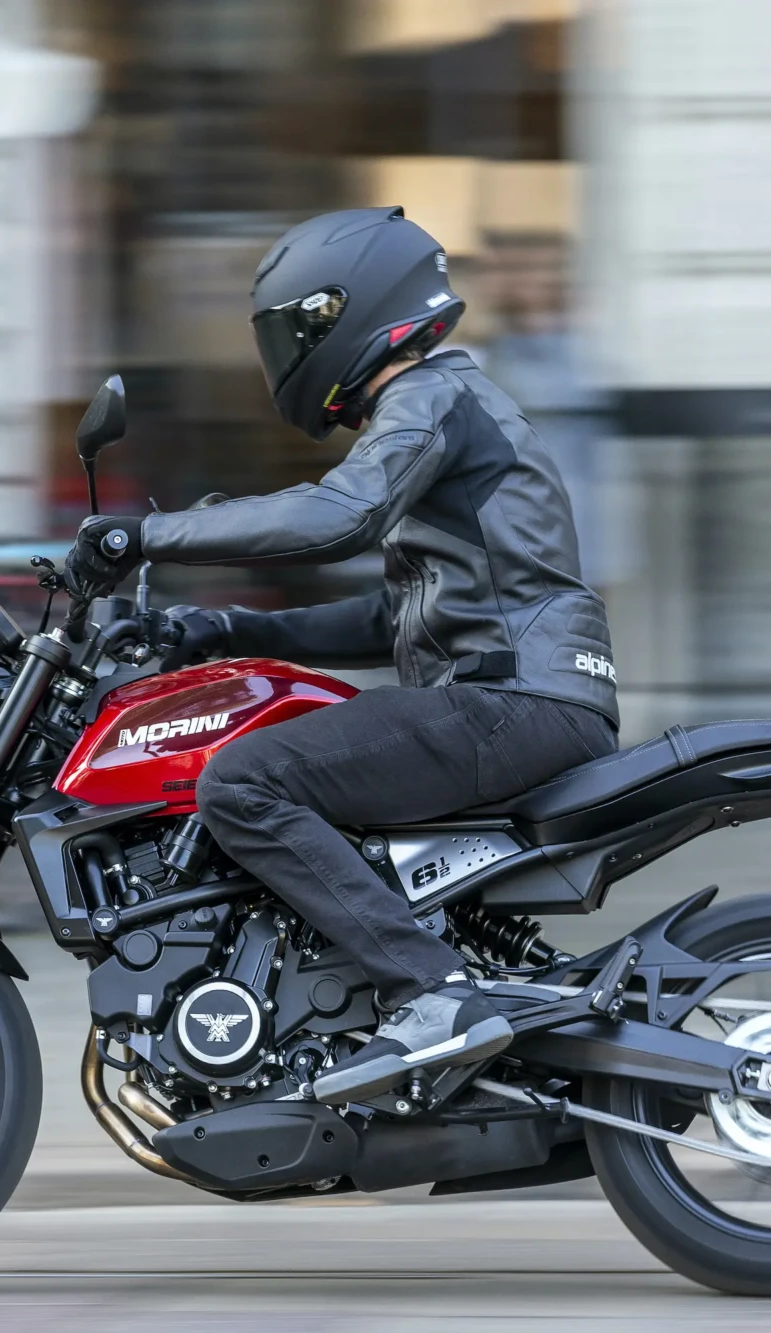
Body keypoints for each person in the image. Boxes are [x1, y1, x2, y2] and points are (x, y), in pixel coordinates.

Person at [63, 207, 619, 1101]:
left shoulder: (431, 394)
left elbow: (338, 516)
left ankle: (433, 992)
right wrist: (223, 630)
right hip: (517, 695)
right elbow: (391, 619)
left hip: (511, 701)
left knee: (243, 783)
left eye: (294, 331)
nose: (284, 355)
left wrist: (147, 535)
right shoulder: (447, 404)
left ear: (348, 310)